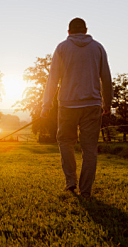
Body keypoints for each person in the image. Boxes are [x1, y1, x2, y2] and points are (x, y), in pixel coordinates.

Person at [41, 18, 113, 198]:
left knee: (65, 143)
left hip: (67, 105)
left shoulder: (62, 48)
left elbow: (53, 78)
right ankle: (86, 190)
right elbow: (106, 77)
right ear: (86, 30)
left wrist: (46, 104)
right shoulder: (97, 47)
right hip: (92, 105)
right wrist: (108, 103)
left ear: (69, 32)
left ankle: (70, 182)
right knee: (89, 149)